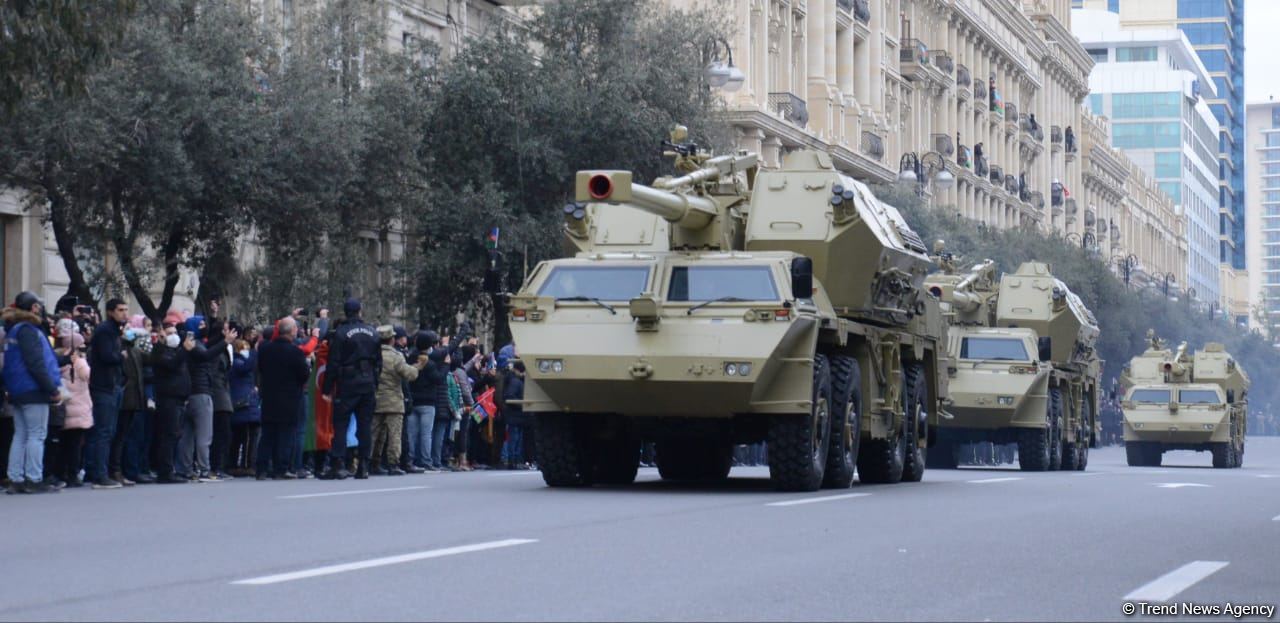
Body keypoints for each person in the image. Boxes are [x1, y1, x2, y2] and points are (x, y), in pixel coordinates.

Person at [4, 292, 62, 494]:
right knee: (37, 434)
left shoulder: (14, 329)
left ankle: (16, 478)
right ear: (34, 308)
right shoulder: (29, 330)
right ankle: (34, 478)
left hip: (17, 388)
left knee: (20, 434)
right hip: (33, 389)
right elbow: (36, 363)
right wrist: (51, 389)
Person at [321, 298, 380, 480]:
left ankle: (338, 464)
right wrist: (374, 383)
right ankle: (363, 465)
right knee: (364, 425)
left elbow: (333, 362)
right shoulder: (373, 332)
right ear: (360, 311)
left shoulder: (340, 332)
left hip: (347, 383)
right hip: (367, 382)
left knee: (340, 424)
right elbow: (379, 363)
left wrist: (327, 388)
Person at [257, 317, 310, 480]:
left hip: (269, 396)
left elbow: (260, 369)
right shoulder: (295, 352)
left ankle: (262, 468)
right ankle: (281, 468)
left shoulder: (265, 349)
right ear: (292, 331)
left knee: (267, 434)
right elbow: (304, 374)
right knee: (286, 434)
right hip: (289, 398)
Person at [85, 298, 129, 489]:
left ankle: (98, 472)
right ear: (111, 311)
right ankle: (99, 474)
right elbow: (107, 356)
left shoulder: (113, 331)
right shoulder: (105, 331)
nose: (124, 313)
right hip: (104, 387)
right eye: (120, 310)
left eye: (126, 310)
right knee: (103, 431)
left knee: (107, 431)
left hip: (113, 386)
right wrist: (121, 356)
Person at [176, 315, 225, 482]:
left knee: (187, 436)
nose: (204, 326)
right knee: (204, 436)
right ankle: (204, 469)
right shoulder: (194, 346)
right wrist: (225, 342)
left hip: (189, 395)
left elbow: (208, 347)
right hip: (201, 393)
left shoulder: (190, 345)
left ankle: (185, 468)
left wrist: (222, 337)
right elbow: (207, 355)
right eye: (201, 324)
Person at [370, 325, 423, 475]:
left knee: (374, 433)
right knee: (394, 435)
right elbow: (410, 374)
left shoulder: (373, 355)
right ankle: (393, 464)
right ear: (392, 339)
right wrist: (418, 366)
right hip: (394, 402)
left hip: (376, 399)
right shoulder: (396, 356)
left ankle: (371, 462)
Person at [149, 314, 193, 484]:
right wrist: (184, 350)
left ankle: (171, 468)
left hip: (179, 398)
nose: (174, 335)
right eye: (169, 332)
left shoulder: (173, 351)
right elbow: (172, 364)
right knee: (168, 435)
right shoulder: (160, 352)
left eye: (175, 332)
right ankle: (165, 471)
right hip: (168, 399)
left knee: (175, 435)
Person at [111, 325, 150, 485]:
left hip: (134, 399)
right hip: (124, 398)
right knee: (121, 437)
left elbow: (152, 358)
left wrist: (160, 343)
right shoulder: (118, 348)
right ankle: (118, 470)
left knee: (130, 436)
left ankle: (131, 470)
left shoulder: (134, 351)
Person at [57, 332, 92, 486]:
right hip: (79, 407)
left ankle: (62, 473)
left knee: (64, 444)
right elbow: (89, 376)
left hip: (64, 406)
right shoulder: (79, 361)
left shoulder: (57, 360)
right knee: (76, 445)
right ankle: (73, 474)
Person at [404, 331, 441, 472]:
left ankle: (410, 459)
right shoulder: (430, 364)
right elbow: (438, 379)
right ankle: (426, 460)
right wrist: (444, 366)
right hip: (428, 402)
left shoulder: (410, 360)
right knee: (426, 433)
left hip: (413, 400)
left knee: (411, 433)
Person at [207, 320, 238, 480]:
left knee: (223, 431)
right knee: (221, 431)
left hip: (223, 391)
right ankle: (215, 466)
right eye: (227, 330)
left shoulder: (223, 349)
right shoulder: (216, 349)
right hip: (218, 393)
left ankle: (219, 465)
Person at [229, 338, 260, 476]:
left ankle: (240, 464)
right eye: (244, 347)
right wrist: (254, 351)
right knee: (245, 437)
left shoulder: (241, 362)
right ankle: (245, 465)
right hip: (243, 404)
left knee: (246, 436)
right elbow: (246, 367)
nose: (246, 350)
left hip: (249, 403)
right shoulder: (237, 362)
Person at [501, 361, 527, 469]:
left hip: (514, 415)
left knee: (514, 438)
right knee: (515, 438)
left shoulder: (512, 380)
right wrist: (522, 404)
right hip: (516, 414)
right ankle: (513, 460)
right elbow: (510, 396)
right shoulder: (516, 382)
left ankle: (513, 460)